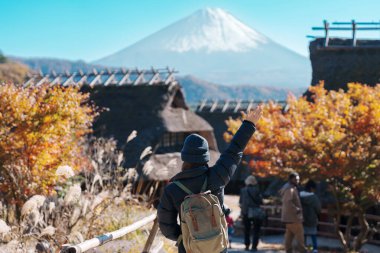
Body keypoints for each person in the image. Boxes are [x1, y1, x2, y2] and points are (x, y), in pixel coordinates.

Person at [157, 105, 263, 253]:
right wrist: (249, 124)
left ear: (184, 157)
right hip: (217, 246)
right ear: (205, 157)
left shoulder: (172, 189)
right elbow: (234, 151)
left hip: (189, 248)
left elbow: (166, 227)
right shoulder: (217, 177)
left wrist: (187, 236)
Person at [279, 172, 307, 253]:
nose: (297, 181)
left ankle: (288, 251)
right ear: (291, 179)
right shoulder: (290, 189)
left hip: (288, 218)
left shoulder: (288, 187)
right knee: (300, 238)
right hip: (294, 218)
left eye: (298, 179)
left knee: (289, 237)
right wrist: (297, 210)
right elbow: (288, 202)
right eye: (296, 179)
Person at [239, 175, 263, 251]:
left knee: (247, 230)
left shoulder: (243, 190)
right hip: (256, 212)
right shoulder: (257, 190)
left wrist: (243, 212)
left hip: (246, 212)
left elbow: (240, 202)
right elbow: (260, 201)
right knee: (256, 229)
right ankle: (254, 246)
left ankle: (247, 245)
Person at [300, 180, 321, 253]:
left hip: (301, 218)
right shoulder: (314, 198)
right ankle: (315, 249)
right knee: (313, 234)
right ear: (312, 188)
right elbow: (318, 209)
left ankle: (303, 248)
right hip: (312, 218)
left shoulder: (299, 196)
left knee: (303, 235)